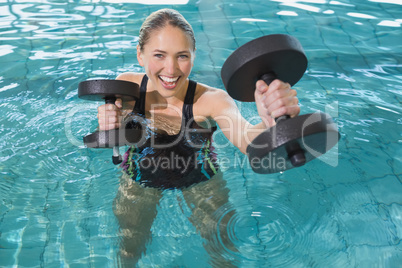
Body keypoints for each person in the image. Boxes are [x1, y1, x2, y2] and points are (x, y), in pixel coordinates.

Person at [97, 8, 300, 266]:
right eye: (159, 55)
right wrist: (109, 122)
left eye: (182, 56)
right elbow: (115, 136)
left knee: (222, 250)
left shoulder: (211, 100)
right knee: (129, 249)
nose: (170, 69)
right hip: (139, 176)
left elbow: (249, 140)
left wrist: (270, 121)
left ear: (194, 56)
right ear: (140, 55)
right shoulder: (127, 87)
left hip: (200, 179)